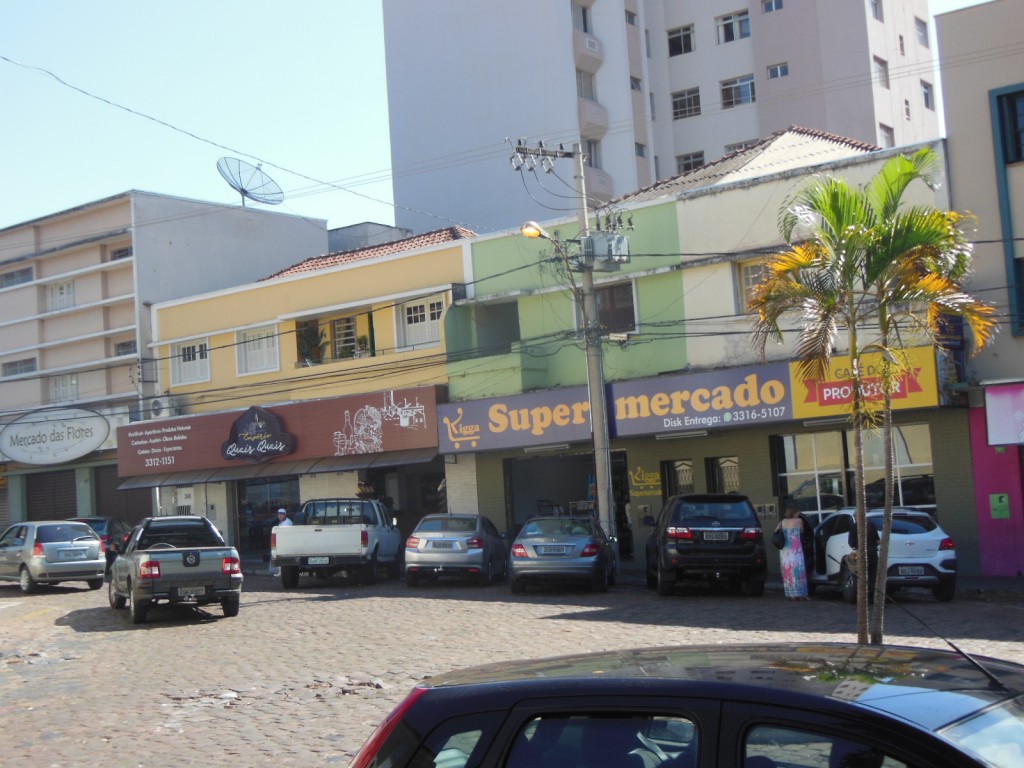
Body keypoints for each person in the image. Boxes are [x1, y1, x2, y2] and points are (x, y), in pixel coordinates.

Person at [775, 502, 809, 600]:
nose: (799, 513)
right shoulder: (799, 521)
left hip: (786, 549)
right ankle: (801, 593)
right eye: (797, 511)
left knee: (789, 570)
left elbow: (776, 532)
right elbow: (802, 531)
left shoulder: (782, 522)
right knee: (799, 570)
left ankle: (791, 594)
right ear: (793, 512)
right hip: (796, 549)